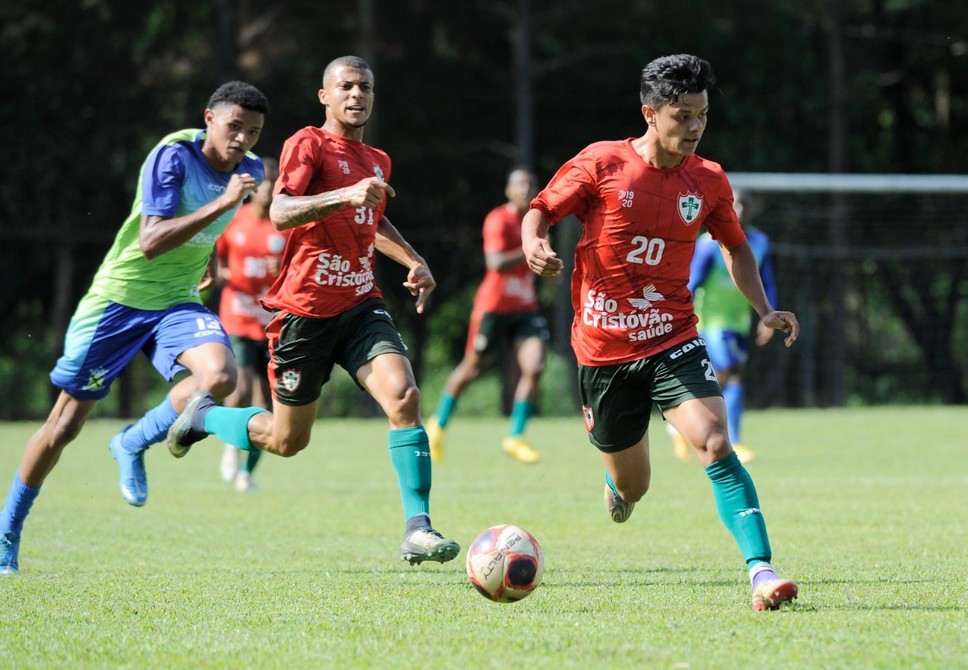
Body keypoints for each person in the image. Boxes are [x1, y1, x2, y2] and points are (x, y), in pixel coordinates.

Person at [521, 54, 800, 611]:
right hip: (602, 351)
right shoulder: (602, 164)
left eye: (702, 115)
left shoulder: (709, 180)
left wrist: (765, 309)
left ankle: (762, 572)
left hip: (673, 336)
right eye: (683, 116)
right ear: (650, 113)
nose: (695, 128)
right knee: (633, 487)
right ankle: (618, 486)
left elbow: (735, 247)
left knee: (715, 442)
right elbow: (541, 209)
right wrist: (534, 242)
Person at [164, 55, 460, 566]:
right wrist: (346, 193)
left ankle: (418, 528)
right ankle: (206, 417)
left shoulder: (378, 161)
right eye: (345, 86)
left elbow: (375, 219)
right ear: (325, 95)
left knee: (405, 395)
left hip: (360, 304)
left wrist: (414, 258)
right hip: (304, 313)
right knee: (286, 440)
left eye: (364, 86)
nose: (356, 94)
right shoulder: (307, 144)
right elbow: (280, 211)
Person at [0, 81, 270, 574]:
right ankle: (6, 536)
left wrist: (207, 255)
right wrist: (220, 205)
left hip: (177, 304)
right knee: (63, 427)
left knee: (221, 376)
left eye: (252, 132)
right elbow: (150, 240)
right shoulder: (173, 156)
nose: (242, 141)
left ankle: (132, 441)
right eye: (234, 127)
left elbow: (217, 222)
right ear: (208, 118)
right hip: (118, 304)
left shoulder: (249, 170)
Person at [426, 168, 550, 464]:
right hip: (493, 308)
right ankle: (438, 424)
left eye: (530, 184)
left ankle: (515, 435)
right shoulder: (499, 219)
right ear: (508, 191)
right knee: (472, 368)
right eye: (520, 184)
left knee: (534, 366)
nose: (526, 189)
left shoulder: (539, 223)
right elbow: (495, 263)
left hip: (525, 307)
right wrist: (530, 246)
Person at [667, 187, 777, 464]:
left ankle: (682, 422)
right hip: (710, 322)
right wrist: (679, 317)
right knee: (733, 371)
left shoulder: (760, 242)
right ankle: (734, 440)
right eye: (733, 206)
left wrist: (768, 315)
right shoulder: (708, 244)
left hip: (738, 322)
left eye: (743, 206)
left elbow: (766, 282)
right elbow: (691, 283)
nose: (738, 212)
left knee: (726, 376)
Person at [215, 157, 289, 491]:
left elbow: (300, 274)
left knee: (268, 400)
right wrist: (227, 275)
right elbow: (212, 264)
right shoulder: (234, 221)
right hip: (238, 316)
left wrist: (282, 269)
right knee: (242, 386)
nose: (269, 189)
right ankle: (231, 447)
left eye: (275, 182)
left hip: (273, 322)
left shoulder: (286, 227)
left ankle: (247, 470)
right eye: (264, 182)